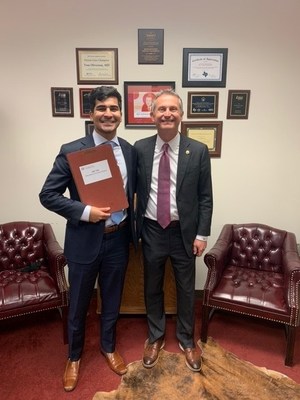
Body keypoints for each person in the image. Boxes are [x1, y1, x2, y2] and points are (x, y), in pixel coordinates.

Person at [39, 86, 137, 392]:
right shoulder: (72, 150)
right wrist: (84, 211)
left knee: (112, 299)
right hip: (84, 240)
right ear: (90, 113)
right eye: (101, 108)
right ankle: (74, 356)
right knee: (79, 302)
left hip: (119, 239)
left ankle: (108, 347)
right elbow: (48, 195)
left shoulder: (130, 150)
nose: (108, 113)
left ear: (121, 113)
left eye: (113, 108)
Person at [134, 89, 213, 372]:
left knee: (186, 289)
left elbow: (205, 196)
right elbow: (128, 187)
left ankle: (186, 340)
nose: (167, 114)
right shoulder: (139, 149)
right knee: (152, 286)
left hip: (184, 233)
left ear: (181, 114)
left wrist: (202, 234)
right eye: (161, 109)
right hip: (152, 229)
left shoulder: (198, 151)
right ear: (152, 115)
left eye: (173, 109)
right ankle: (155, 337)